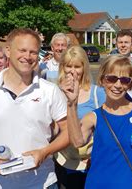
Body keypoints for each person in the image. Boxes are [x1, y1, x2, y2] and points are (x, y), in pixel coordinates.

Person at [0, 28, 70, 188]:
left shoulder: (50, 90)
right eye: (22, 50)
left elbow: (68, 132)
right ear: (8, 51)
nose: (28, 56)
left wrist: (45, 152)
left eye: (33, 52)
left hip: (42, 183)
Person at [61, 55, 132, 188]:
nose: (117, 85)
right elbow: (77, 142)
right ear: (102, 80)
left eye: (124, 80)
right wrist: (71, 104)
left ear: (130, 83)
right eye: (111, 78)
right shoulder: (94, 117)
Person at [53, 45, 106, 189]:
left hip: (91, 162)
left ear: (84, 67)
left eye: (77, 66)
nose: (72, 71)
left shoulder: (98, 93)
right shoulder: (54, 91)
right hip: (64, 161)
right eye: (68, 66)